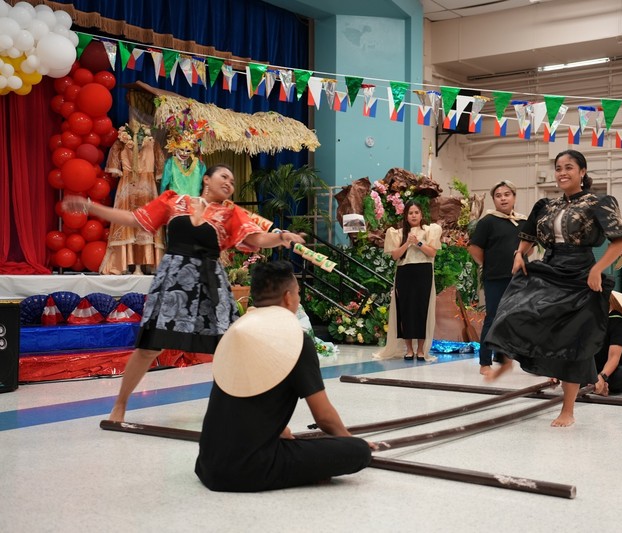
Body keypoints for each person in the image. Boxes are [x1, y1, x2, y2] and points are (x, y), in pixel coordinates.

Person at [63, 164, 305, 422]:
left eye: (233, 182)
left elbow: (257, 239)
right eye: (224, 177)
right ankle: (120, 405)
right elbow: (135, 219)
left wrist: (281, 238)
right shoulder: (174, 201)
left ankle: (259, 413)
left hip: (210, 284)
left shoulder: (231, 213)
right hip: (173, 282)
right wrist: (91, 207)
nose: (229, 184)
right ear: (207, 179)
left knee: (232, 346)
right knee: (149, 347)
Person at [195, 261, 373, 492]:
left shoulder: (238, 330)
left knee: (296, 441)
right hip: (250, 470)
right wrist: (351, 441)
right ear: (288, 298)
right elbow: (324, 417)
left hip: (208, 464)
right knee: (357, 451)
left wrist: (280, 430)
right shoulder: (296, 338)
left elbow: (248, 393)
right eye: (298, 293)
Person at [484, 149, 622, 427]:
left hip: (581, 275)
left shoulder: (599, 202)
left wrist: (598, 269)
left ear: (582, 172)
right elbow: (527, 234)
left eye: (569, 167)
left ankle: (568, 410)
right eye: (559, 168)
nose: (562, 172)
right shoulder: (546, 205)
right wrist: (519, 253)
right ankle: (505, 359)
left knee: (574, 342)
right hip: (549, 267)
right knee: (513, 310)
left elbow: (619, 242)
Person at [468, 180, 526, 375]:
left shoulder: (523, 221)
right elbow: (474, 248)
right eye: (499, 195)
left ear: (514, 197)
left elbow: (529, 245)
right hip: (494, 277)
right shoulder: (487, 221)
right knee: (492, 318)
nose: (503, 198)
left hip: (518, 278)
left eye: (507, 194)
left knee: (514, 318)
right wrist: (489, 263)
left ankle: (506, 357)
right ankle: (485, 362)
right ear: (494, 199)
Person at [374, 200, 442, 361]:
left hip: (423, 271)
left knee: (421, 310)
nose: (413, 215)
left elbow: (432, 253)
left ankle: (420, 350)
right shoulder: (397, 233)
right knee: (406, 311)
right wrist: (407, 242)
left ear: (421, 215)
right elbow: (395, 256)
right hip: (405, 272)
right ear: (405, 216)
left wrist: (417, 242)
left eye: (416, 212)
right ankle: (409, 349)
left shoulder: (429, 230)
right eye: (410, 213)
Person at [101, 121, 166, 275]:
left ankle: (143, 265)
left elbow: (159, 165)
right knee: (126, 224)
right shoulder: (121, 140)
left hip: (146, 188)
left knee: (146, 222)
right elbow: (114, 164)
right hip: (128, 187)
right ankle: (126, 264)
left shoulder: (152, 141)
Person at [590, 291, 622, 396]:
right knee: (572, 374)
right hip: (592, 367)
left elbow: (614, 358)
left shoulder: (617, 320)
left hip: (614, 370)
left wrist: (602, 377)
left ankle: (599, 385)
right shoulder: (589, 319)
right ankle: (598, 386)